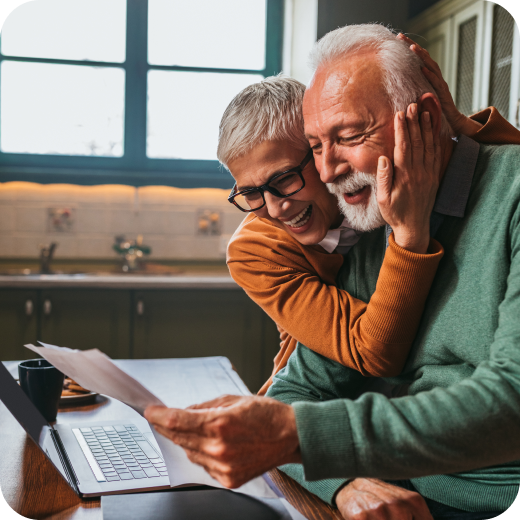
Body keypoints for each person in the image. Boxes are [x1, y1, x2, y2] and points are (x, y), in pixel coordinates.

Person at [145, 26, 520, 519]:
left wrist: (301, 436)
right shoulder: (369, 225)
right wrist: (342, 480)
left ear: (425, 117)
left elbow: (511, 402)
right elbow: (295, 393)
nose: (326, 172)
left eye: (348, 136)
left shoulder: (499, 198)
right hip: (405, 482)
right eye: (318, 145)